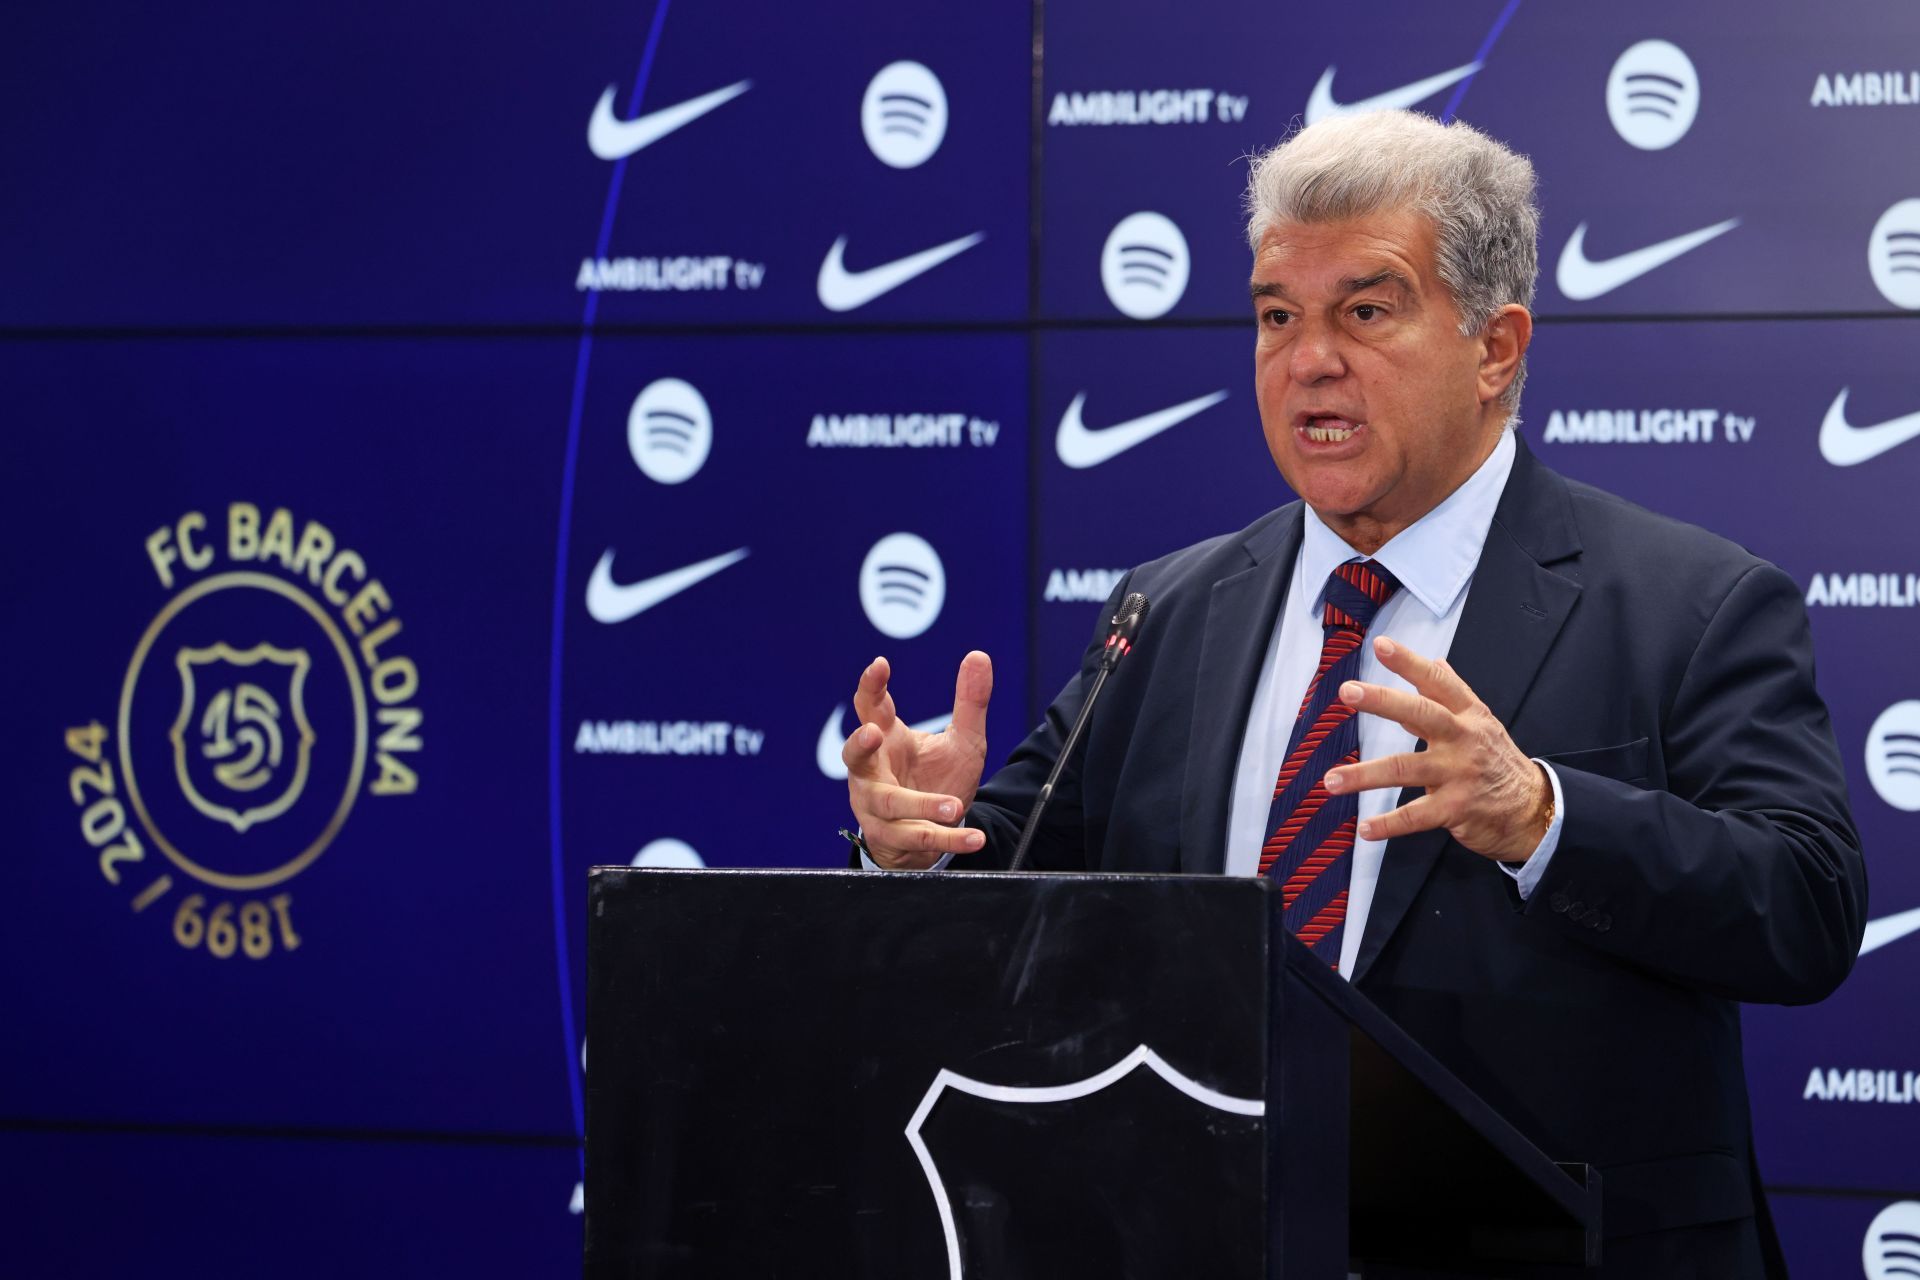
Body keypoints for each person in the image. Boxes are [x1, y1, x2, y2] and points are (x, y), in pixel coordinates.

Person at [840, 110, 1865, 1277]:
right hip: (1209, 1229)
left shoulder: (1692, 601)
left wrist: (1543, 817)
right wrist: (918, 847)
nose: (1307, 359)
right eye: (1277, 315)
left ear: (1496, 347)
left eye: (1366, 312)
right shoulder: (1166, 608)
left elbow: (1809, 905)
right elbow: (1025, 891)